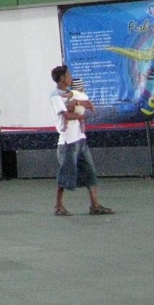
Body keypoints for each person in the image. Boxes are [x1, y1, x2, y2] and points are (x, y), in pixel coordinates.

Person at [50, 65, 112, 216]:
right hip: (68, 142)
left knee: (90, 171)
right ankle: (58, 206)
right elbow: (66, 115)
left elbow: (84, 103)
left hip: (80, 140)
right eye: (68, 75)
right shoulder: (55, 96)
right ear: (62, 78)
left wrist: (78, 104)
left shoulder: (72, 93)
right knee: (66, 173)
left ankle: (94, 205)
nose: (70, 77)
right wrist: (81, 116)